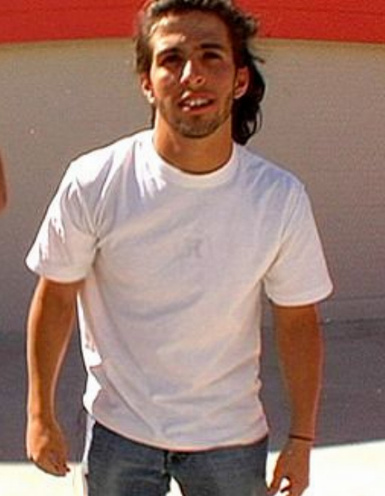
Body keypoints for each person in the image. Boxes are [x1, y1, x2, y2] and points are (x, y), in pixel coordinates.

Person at [25, 1, 333, 495]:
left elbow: (298, 321)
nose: (193, 75)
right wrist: (39, 414)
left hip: (230, 439)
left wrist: (302, 438)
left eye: (212, 56)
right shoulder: (95, 181)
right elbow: (56, 295)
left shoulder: (277, 198)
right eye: (171, 59)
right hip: (119, 434)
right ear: (147, 82)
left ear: (239, 80)